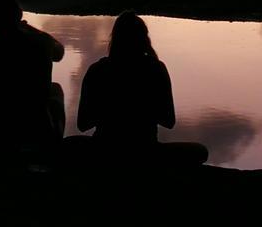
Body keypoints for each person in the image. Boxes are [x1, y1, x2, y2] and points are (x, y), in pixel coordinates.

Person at [74, 12, 207, 166]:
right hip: (147, 150)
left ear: (114, 38)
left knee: (68, 145)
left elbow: (83, 124)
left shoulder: (97, 69)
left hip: (103, 148)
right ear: (145, 39)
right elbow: (169, 121)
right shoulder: (156, 68)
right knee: (200, 151)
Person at [0, 0, 65, 153]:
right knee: (54, 89)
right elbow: (59, 52)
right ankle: (54, 144)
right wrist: (30, 29)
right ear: (19, 14)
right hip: (39, 129)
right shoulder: (42, 44)